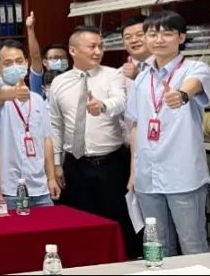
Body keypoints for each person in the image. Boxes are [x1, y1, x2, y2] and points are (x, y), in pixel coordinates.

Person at [126, 10, 210, 256]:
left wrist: (181, 95)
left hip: (183, 175)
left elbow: (193, 85)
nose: (159, 39)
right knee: (158, 246)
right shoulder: (141, 78)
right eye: (152, 34)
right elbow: (136, 126)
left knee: (192, 244)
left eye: (167, 33)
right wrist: (134, 172)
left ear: (181, 37)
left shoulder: (196, 68)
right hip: (147, 176)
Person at [48, 26, 138, 258]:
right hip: (75, 164)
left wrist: (103, 106)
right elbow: (55, 126)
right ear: (73, 50)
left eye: (101, 46)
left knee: (117, 222)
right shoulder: (59, 82)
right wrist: (56, 163)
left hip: (111, 164)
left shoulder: (112, 75)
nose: (98, 51)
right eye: (92, 47)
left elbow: (120, 100)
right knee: (80, 223)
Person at [0, 40, 58, 210]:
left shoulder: (37, 100)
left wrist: (51, 178)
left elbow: (47, 140)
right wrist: (14, 92)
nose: (15, 67)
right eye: (8, 63)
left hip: (40, 187)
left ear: (26, 63)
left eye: (19, 61)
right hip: (9, 189)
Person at [120, 15, 151, 81]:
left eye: (139, 35)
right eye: (128, 37)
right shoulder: (119, 74)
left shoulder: (168, 66)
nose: (133, 40)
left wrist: (138, 77)